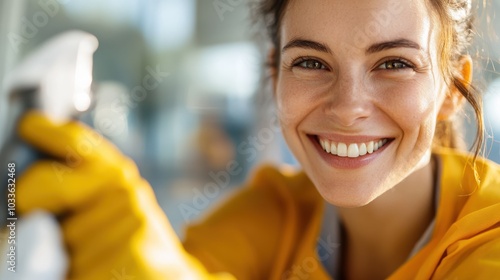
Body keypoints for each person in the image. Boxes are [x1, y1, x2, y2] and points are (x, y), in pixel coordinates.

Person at [15, 0, 500, 279]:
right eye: (311, 63)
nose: (348, 106)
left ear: (451, 91)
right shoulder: (274, 212)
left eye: (394, 63)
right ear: (274, 78)